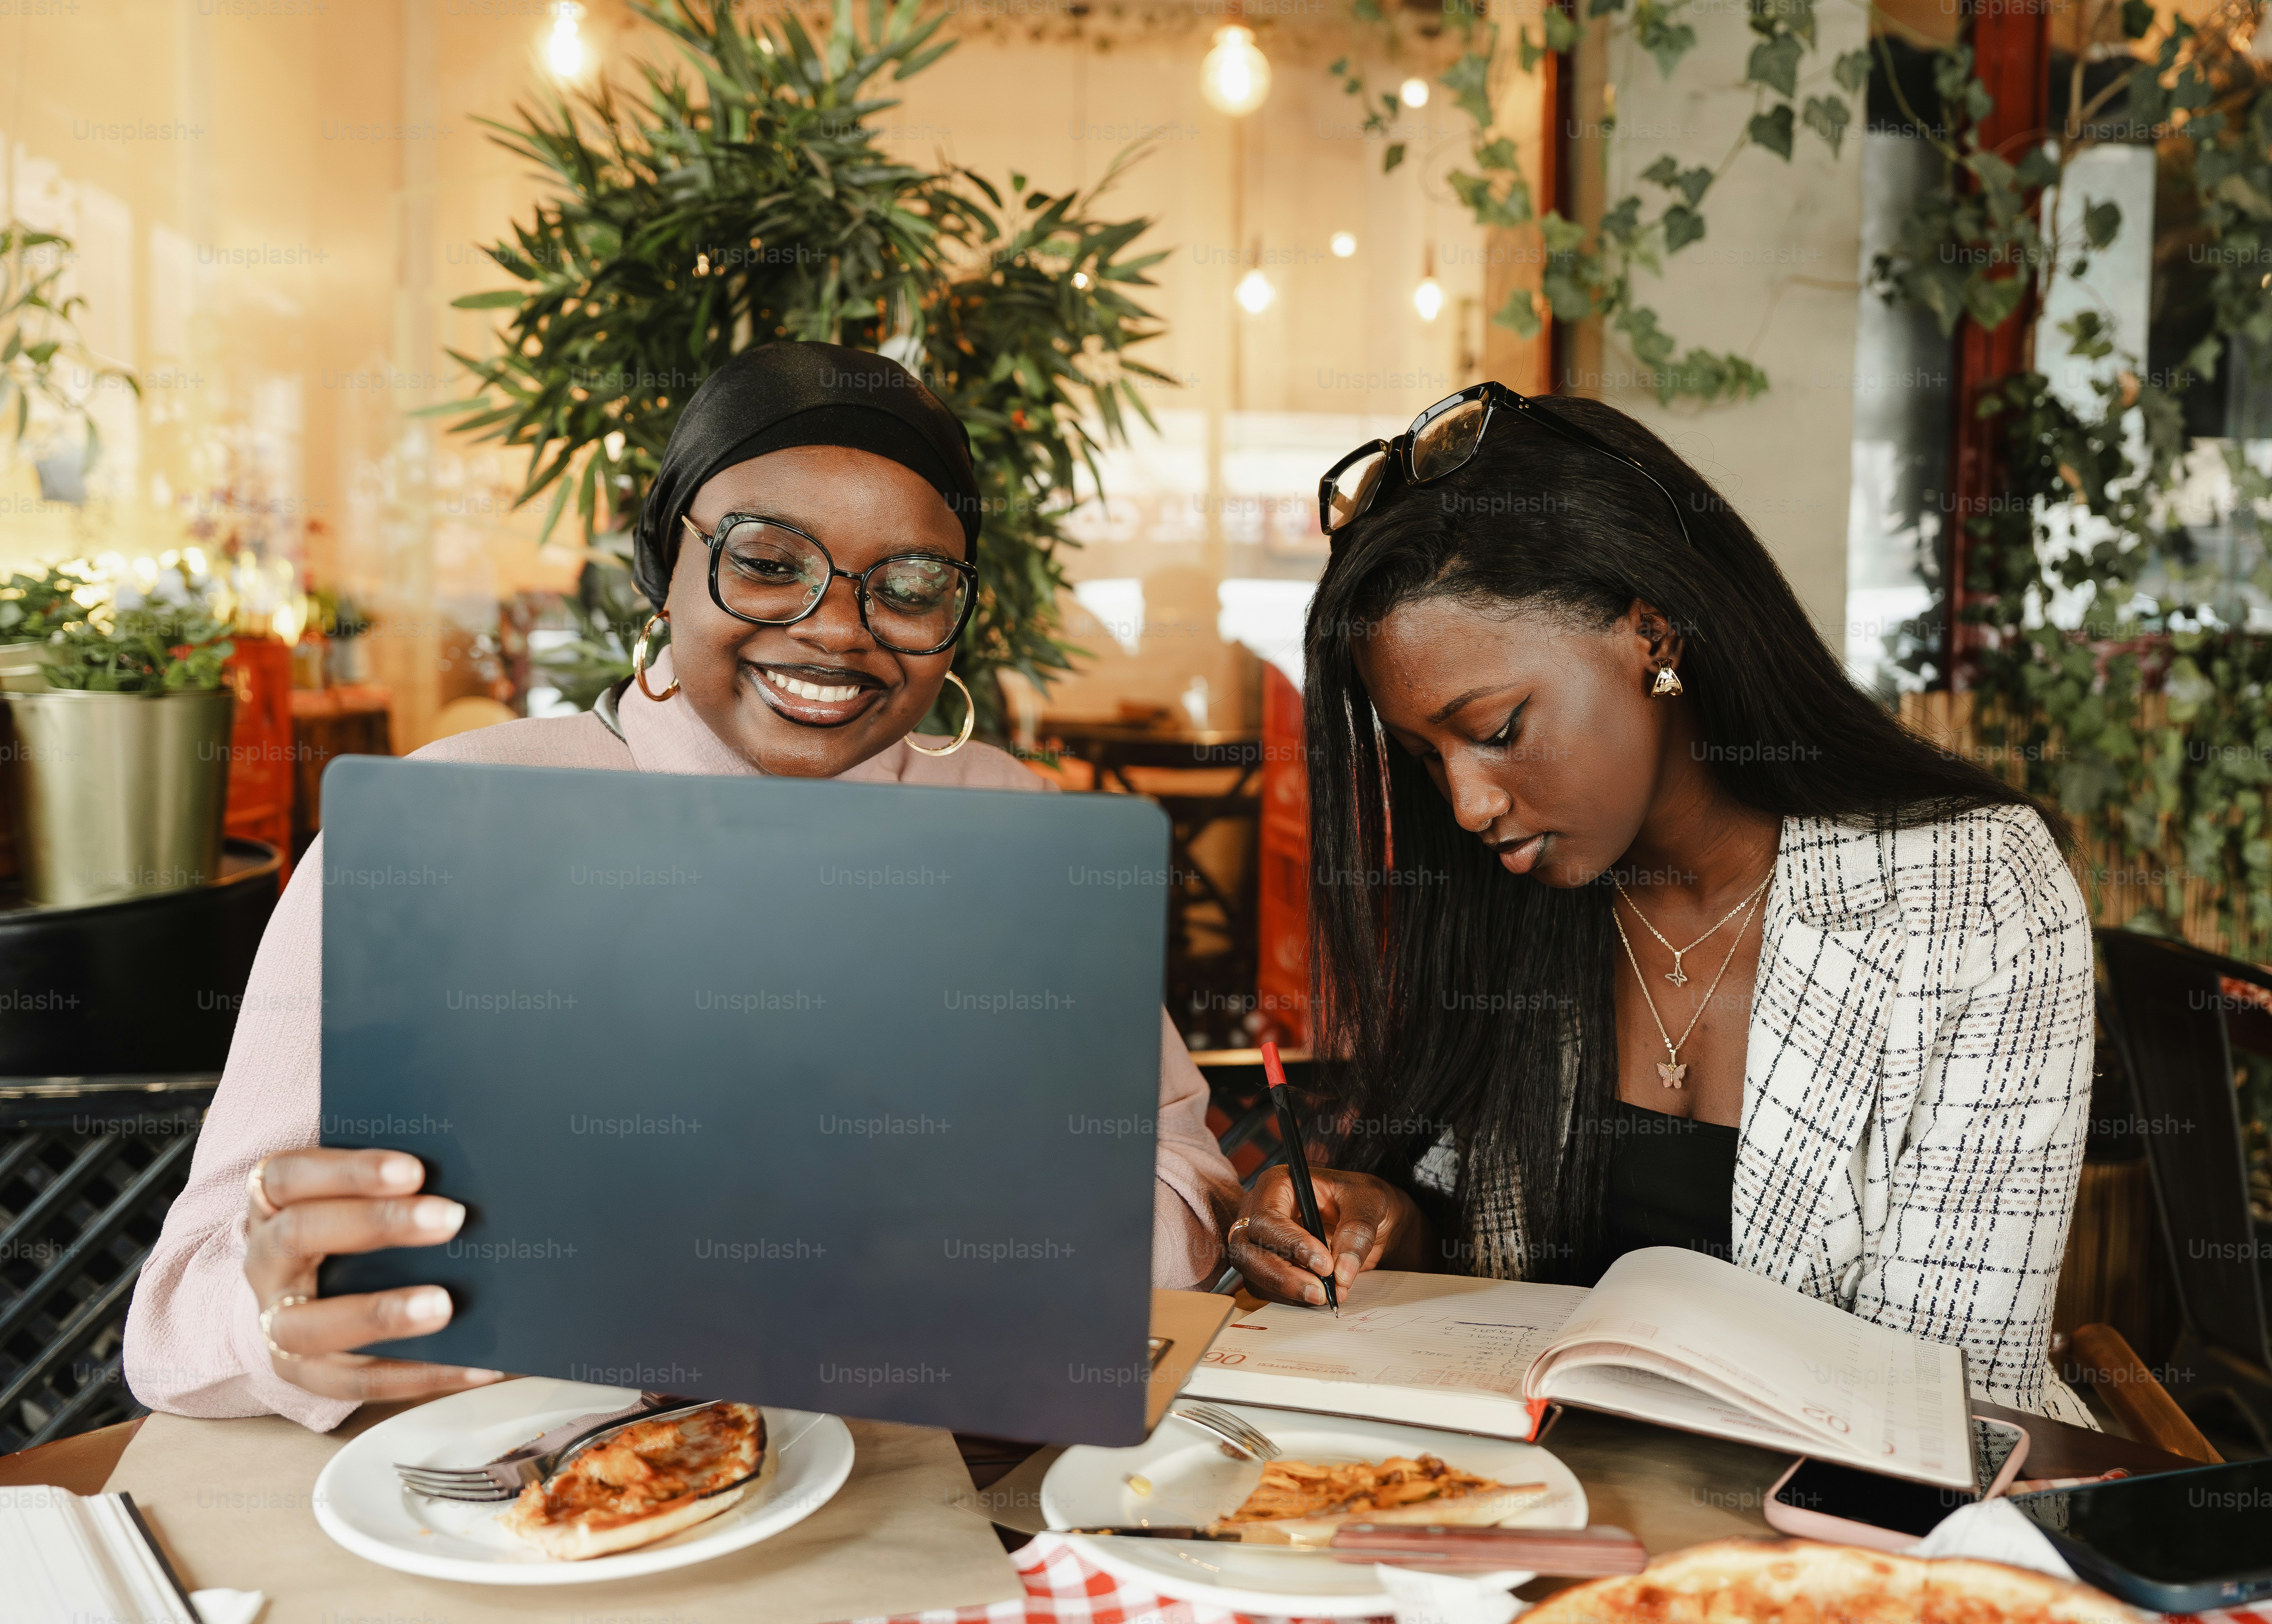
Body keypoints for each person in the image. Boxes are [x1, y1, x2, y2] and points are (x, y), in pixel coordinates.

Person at [126, 343, 1241, 1429]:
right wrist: (279, 1321)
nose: (838, 628)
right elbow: (173, 1326)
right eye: (767, 563)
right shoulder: (445, 826)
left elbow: (1188, 1178)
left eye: (909, 586)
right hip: (520, 1491)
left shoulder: (1016, 827)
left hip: (926, 1464)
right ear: (666, 567)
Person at [1222, 383, 2097, 1421]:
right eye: (1425, 758)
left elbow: (1958, 1400)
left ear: (1655, 636)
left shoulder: (1972, 895)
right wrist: (1384, 1223)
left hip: (1859, 1540)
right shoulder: (1523, 897)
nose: (1464, 802)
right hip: (1541, 1510)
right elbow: (1475, 1240)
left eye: (1497, 729)